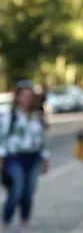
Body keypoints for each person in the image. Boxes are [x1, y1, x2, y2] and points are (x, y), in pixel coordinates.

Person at [0, 82, 49, 233]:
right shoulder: (10, 116)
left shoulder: (37, 116)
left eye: (30, 96)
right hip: (15, 157)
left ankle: (24, 220)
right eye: (24, 95)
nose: (27, 99)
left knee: (29, 190)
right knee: (17, 188)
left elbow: (42, 139)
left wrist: (45, 157)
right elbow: (3, 137)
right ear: (18, 97)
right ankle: (5, 220)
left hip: (33, 157)